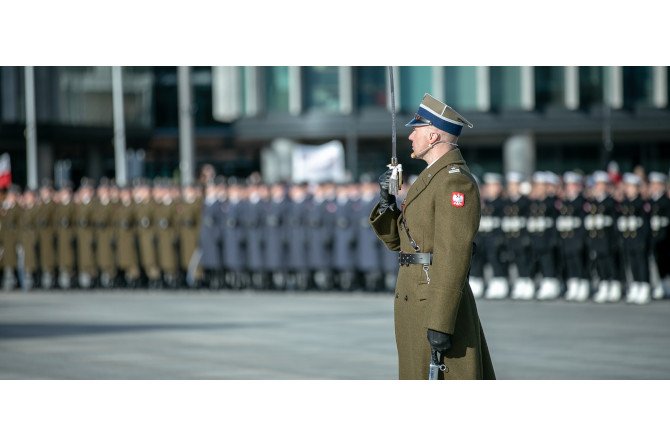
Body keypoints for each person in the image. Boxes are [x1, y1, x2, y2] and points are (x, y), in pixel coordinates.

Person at [369, 93, 495, 380]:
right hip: (416, 297)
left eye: (417, 130)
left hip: (434, 302)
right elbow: (398, 243)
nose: (411, 137)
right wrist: (388, 204)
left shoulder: (454, 180)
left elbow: (454, 255)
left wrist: (441, 321)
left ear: (434, 135)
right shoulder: (430, 179)